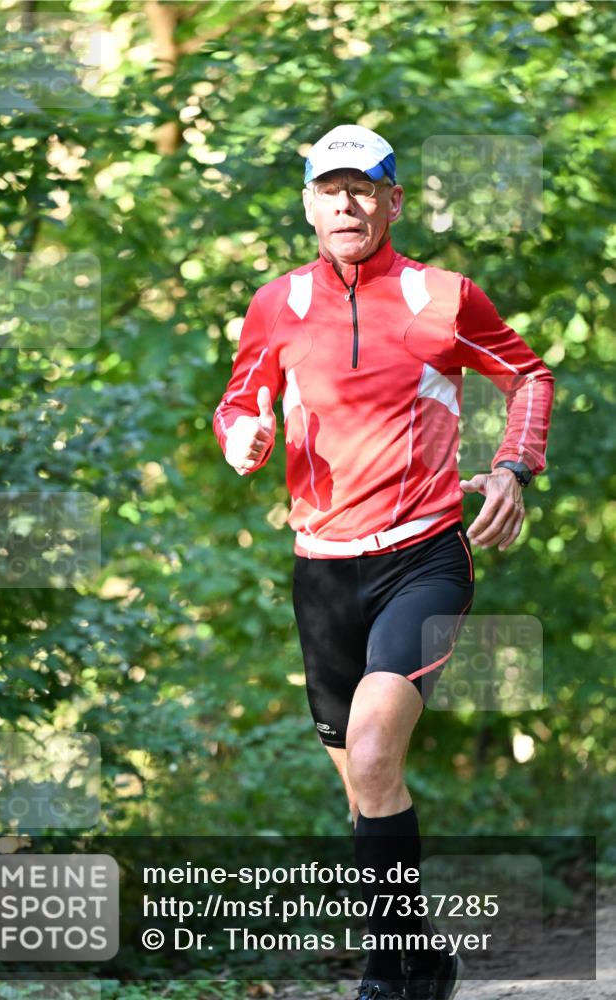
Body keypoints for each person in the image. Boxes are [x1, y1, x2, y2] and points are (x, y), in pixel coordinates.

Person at [213, 124, 555, 1000]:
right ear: (307, 206)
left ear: (391, 201)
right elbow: (238, 403)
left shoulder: (442, 296)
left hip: (423, 557)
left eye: (362, 188)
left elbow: (529, 376)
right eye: (329, 189)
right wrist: (241, 437)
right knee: (365, 783)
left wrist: (513, 466)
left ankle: (384, 976)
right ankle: (423, 956)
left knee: (371, 752)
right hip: (321, 573)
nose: (345, 203)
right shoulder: (275, 304)